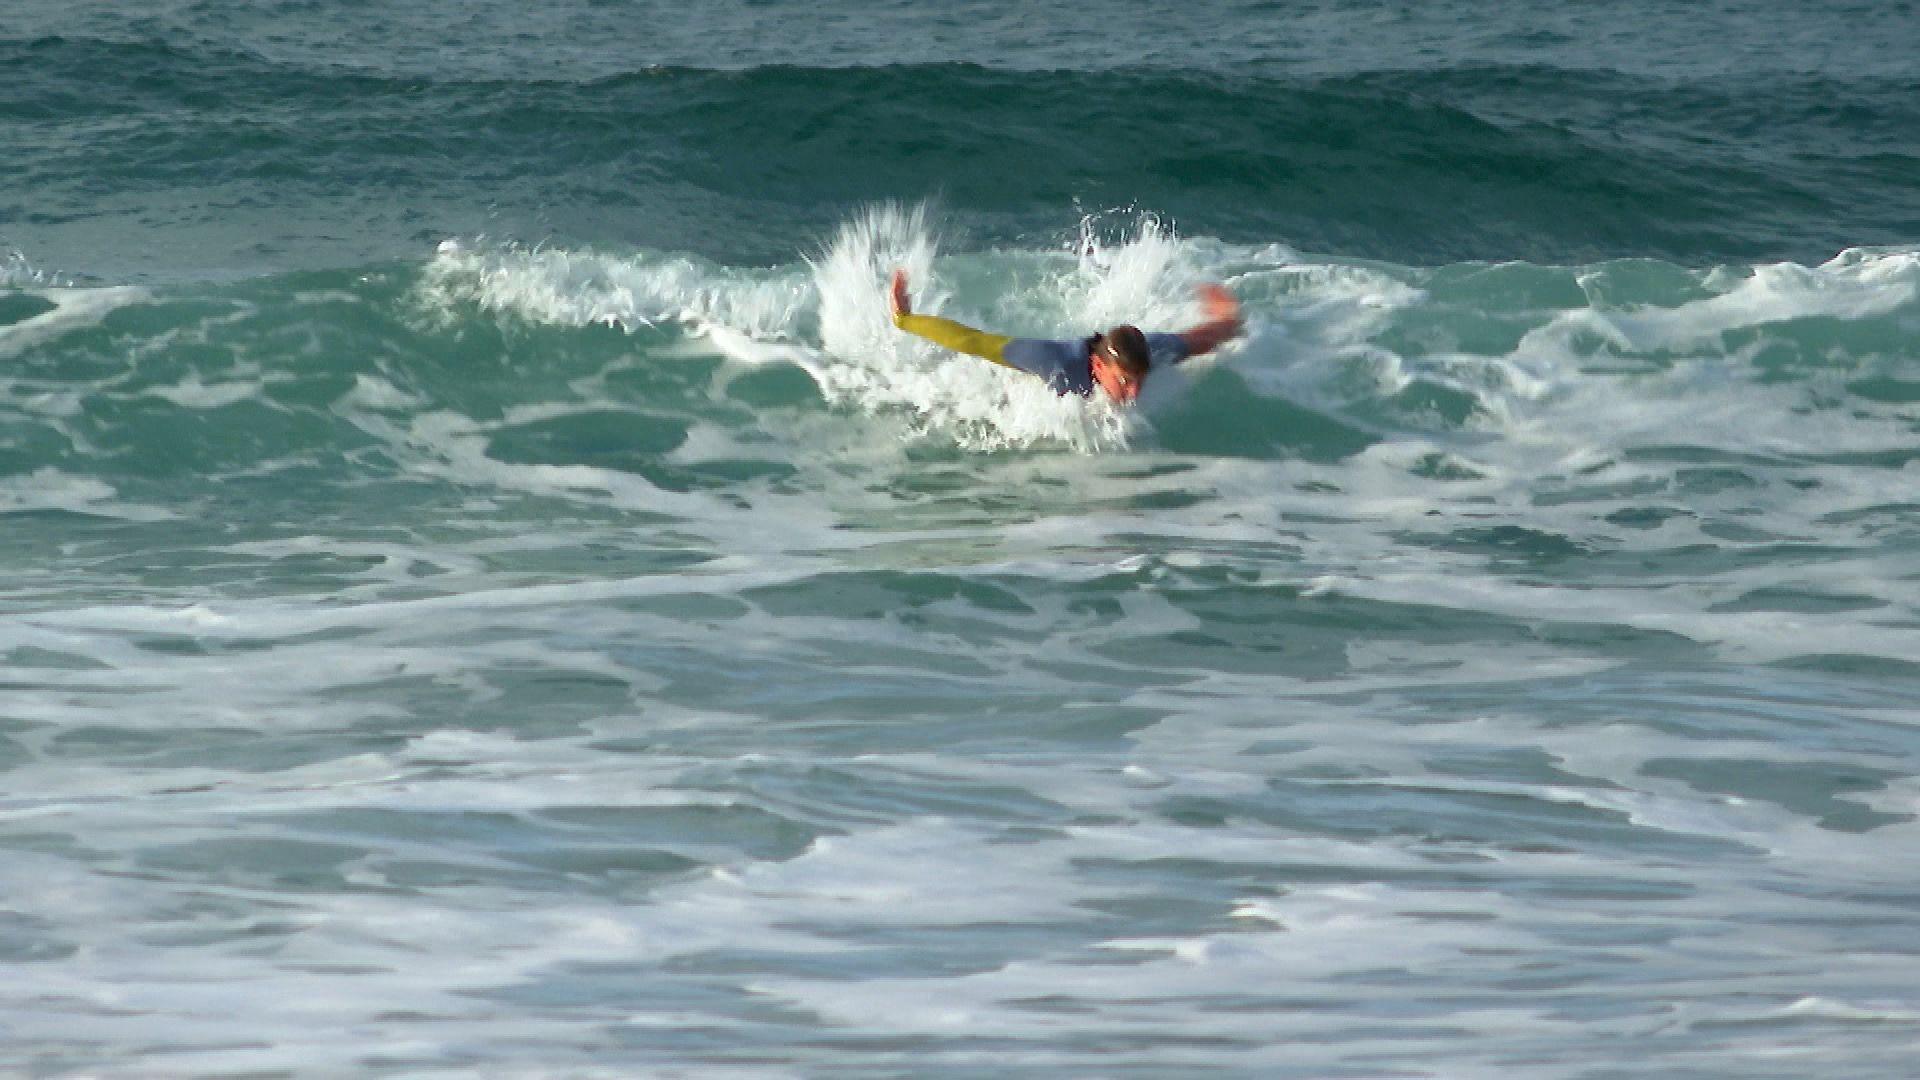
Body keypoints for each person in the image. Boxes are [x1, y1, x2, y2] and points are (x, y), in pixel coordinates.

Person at [887, 269, 1242, 404]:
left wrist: (1227, 320)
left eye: (1139, 381)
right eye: (1125, 382)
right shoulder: (1055, 362)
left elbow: (1197, 340)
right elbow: (973, 341)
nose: (1134, 393)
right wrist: (906, 319)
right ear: (1098, 366)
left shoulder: (1151, 352)